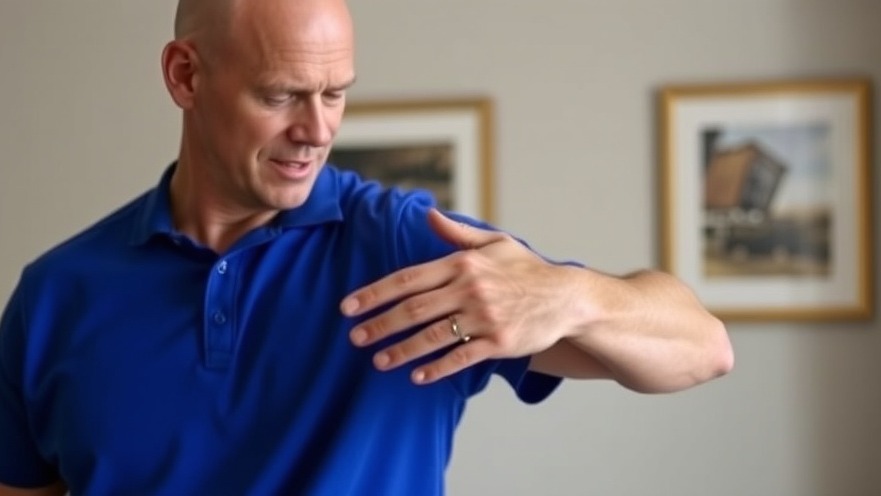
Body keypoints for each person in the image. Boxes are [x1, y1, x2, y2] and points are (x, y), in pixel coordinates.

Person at [0, 0, 734, 494]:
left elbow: (702, 350)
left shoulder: (409, 247)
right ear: (185, 76)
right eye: (282, 94)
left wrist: (570, 295)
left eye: (335, 93)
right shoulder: (56, 293)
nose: (317, 131)